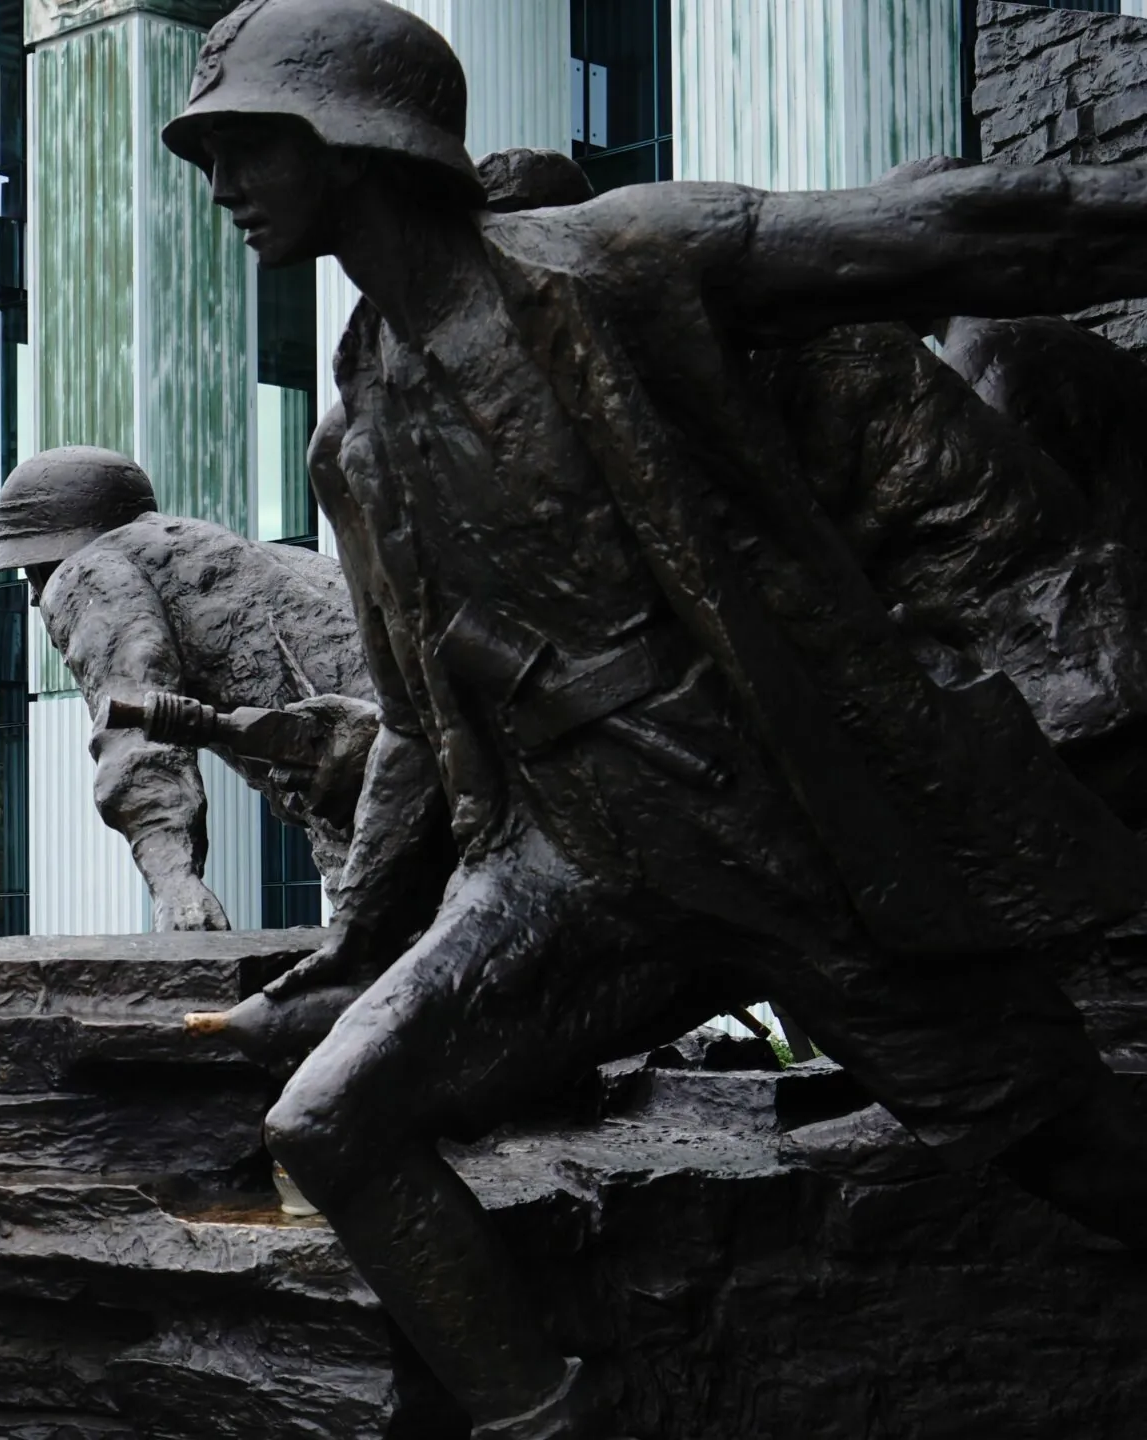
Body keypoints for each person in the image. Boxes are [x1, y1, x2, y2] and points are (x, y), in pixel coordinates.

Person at [158, 1, 1147, 1435]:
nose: (225, 185)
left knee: (1065, 1148)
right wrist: (357, 948)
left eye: (248, 145)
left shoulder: (604, 263)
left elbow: (956, 230)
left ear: (353, 141)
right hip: (564, 864)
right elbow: (421, 729)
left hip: (774, 830)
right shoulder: (352, 432)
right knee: (332, 1120)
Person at [0, 445, 381, 926]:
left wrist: (176, 885)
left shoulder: (87, 572)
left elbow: (137, 738)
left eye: (34, 568)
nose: (34, 595)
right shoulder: (265, 561)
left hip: (374, 792)